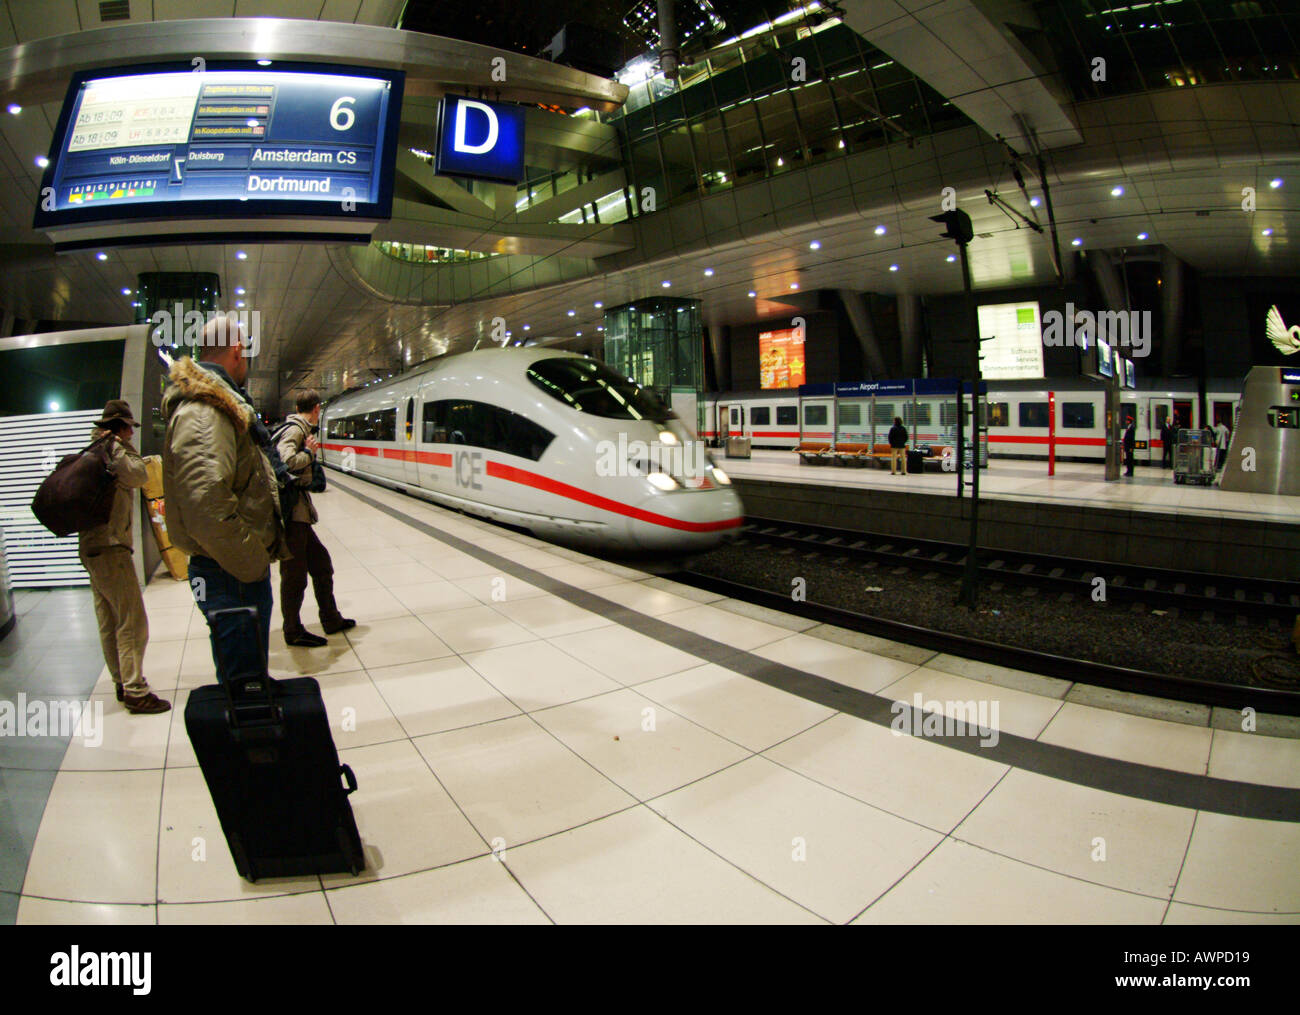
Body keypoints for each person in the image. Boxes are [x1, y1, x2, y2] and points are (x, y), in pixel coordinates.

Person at [161, 315, 289, 683]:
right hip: (230, 572)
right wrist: (251, 560)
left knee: (246, 675)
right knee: (245, 685)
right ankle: (252, 740)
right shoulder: (206, 410)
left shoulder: (212, 405)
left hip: (228, 569)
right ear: (237, 351)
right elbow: (206, 506)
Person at [78, 400, 171, 714]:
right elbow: (138, 476)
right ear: (120, 426)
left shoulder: (92, 450)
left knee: (108, 619)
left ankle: (121, 681)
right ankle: (135, 690)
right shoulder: (112, 451)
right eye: (130, 427)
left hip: (91, 548)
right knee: (132, 621)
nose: (133, 432)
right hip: (111, 548)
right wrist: (123, 447)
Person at [275, 390, 354, 646]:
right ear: (317, 409)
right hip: (292, 515)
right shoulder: (297, 430)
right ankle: (293, 630)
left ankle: (330, 618)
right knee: (294, 575)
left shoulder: (296, 426)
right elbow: (285, 460)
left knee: (321, 565)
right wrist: (308, 454)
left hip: (299, 513)